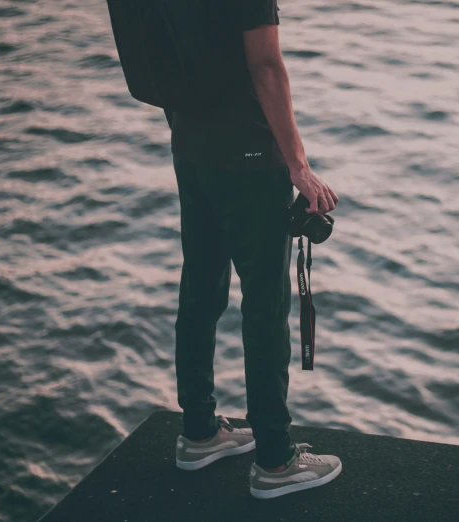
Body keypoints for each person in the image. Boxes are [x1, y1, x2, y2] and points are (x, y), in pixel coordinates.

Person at [168, 0, 341, 499]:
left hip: (190, 144)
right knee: (265, 307)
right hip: (247, 157)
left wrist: (192, 134)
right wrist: (299, 167)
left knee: (199, 285)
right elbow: (265, 63)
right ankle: (275, 460)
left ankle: (199, 432)